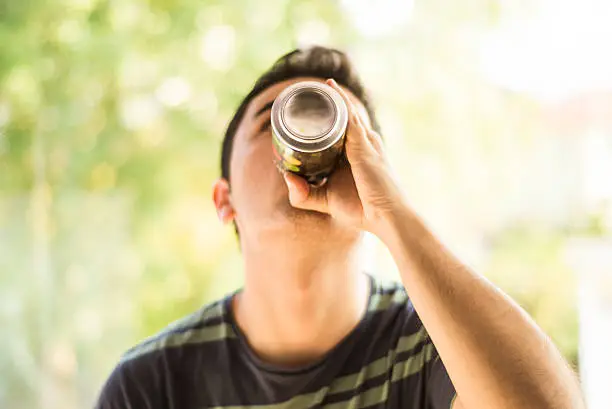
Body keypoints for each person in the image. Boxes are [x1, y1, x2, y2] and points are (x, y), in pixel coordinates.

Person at [94, 46, 584, 409]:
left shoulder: (437, 344)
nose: (306, 136)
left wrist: (392, 214)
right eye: (274, 121)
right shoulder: (152, 383)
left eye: (346, 128)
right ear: (225, 200)